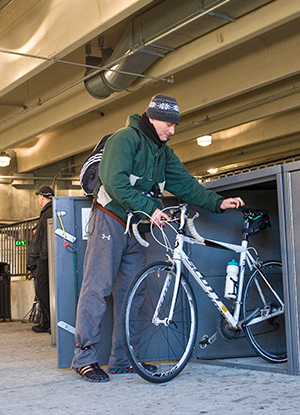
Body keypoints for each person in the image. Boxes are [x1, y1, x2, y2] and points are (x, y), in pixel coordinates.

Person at [71, 93, 245, 382]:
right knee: (97, 288)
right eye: (168, 124)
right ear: (152, 118)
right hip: (110, 221)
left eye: (175, 125)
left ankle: (122, 360)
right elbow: (114, 182)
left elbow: (186, 185)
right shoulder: (124, 139)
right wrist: (150, 207)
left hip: (138, 228)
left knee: (133, 293)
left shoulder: (163, 152)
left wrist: (218, 202)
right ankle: (84, 358)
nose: (172, 131)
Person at [27, 185, 54, 333]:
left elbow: (45, 238)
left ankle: (49, 323)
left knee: (43, 291)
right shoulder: (47, 212)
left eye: (39, 196)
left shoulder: (48, 212)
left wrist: (42, 257)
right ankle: (47, 322)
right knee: (42, 291)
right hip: (43, 257)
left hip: (43, 258)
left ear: (42, 197)